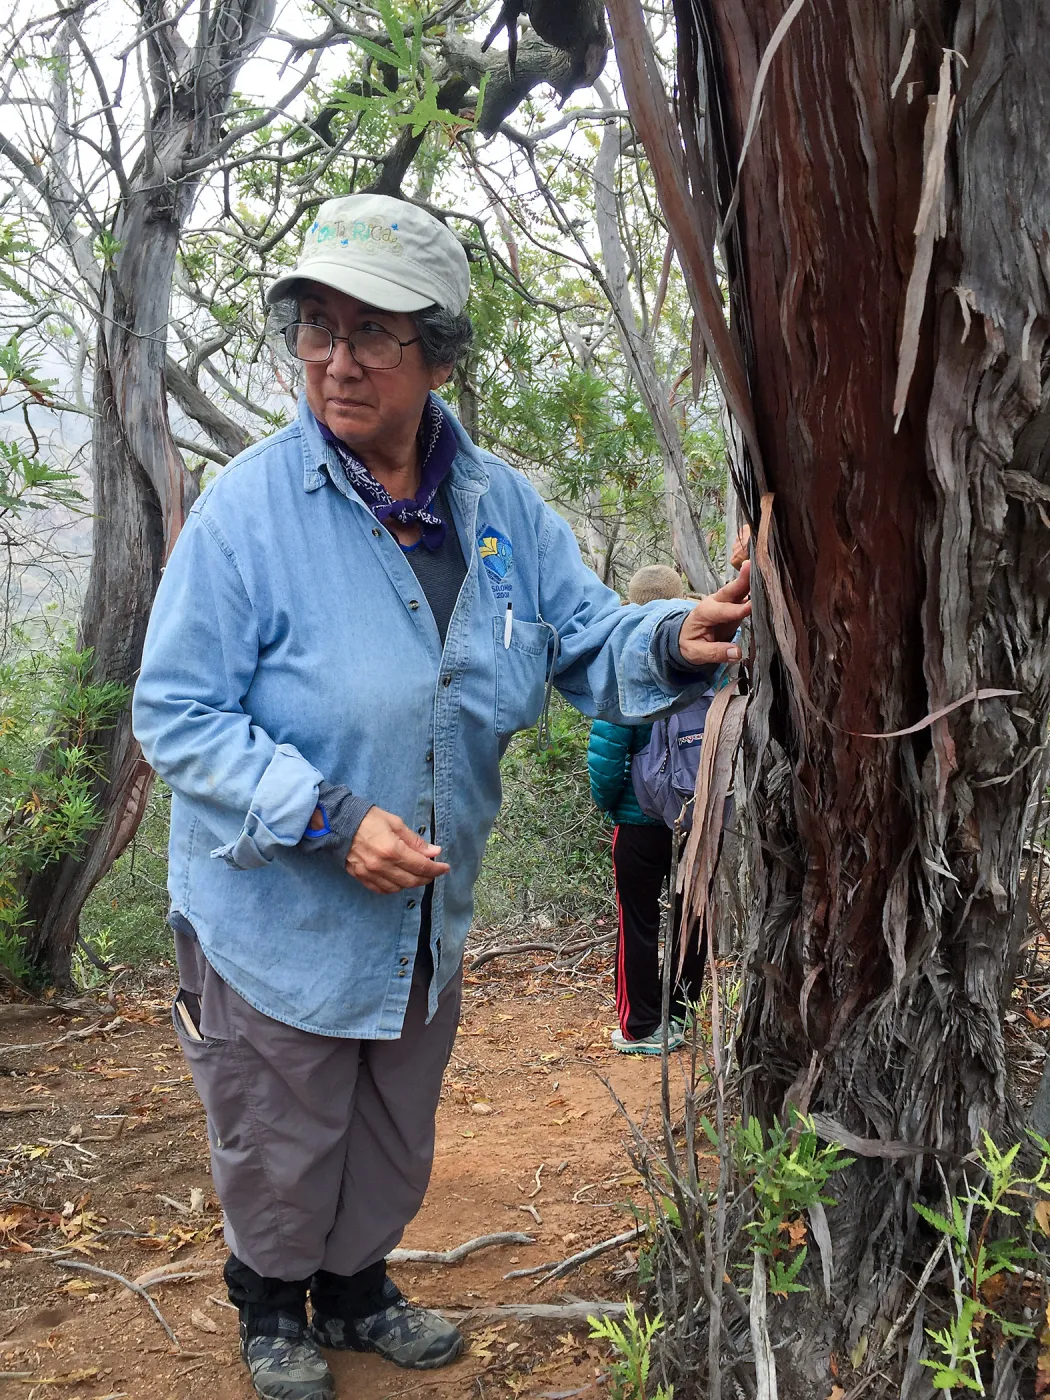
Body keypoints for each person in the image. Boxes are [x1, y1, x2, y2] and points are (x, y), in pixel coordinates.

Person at [132, 192, 751, 1400]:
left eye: (374, 333)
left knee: (388, 1124)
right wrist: (325, 813)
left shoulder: (499, 509)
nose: (337, 360)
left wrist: (683, 633)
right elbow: (178, 711)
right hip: (279, 915)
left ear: (441, 353)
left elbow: (584, 640)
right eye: (317, 326)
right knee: (284, 1124)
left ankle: (356, 1287)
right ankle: (272, 1304)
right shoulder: (250, 512)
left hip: (424, 911)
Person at [587, 566, 708, 1055]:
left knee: (637, 921)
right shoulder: (704, 661)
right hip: (696, 819)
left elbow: (606, 756)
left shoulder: (626, 667)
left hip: (639, 824)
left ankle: (640, 1028)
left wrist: (614, 805)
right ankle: (680, 1018)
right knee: (690, 918)